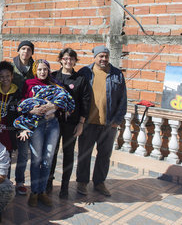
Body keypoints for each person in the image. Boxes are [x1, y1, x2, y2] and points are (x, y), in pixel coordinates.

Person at [76, 45, 127, 197]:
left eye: (106, 56)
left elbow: (123, 99)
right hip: (88, 122)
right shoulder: (85, 72)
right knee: (84, 154)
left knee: (104, 155)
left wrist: (117, 120)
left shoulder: (117, 74)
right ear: (95, 57)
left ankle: (99, 182)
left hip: (109, 123)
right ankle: (82, 182)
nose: (104, 59)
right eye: (101, 56)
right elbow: (77, 96)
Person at [47, 48, 90, 199]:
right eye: (65, 58)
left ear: (75, 61)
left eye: (71, 59)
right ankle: (48, 182)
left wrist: (81, 123)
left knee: (68, 154)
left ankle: (64, 186)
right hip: (53, 122)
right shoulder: (52, 77)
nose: (68, 61)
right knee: (51, 152)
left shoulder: (80, 79)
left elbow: (85, 102)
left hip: (71, 123)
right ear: (60, 60)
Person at [20, 59, 62, 207]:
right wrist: (32, 110)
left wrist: (54, 105)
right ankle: (34, 192)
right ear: (35, 71)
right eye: (39, 69)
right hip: (36, 125)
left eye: (45, 69)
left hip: (52, 125)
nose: (42, 72)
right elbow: (22, 104)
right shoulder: (29, 84)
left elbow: (63, 102)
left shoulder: (54, 84)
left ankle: (42, 191)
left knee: (47, 159)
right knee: (36, 159)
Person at [11, 40, 34, 195]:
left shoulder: (35, 67)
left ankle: (20, 181)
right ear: (18, 50)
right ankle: (3, 179)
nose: (26, 52)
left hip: (29, 115)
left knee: (24, 152)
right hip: (11, 112)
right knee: (7, 149)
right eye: (23, 48)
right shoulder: (11, 67)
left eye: (29, 49)